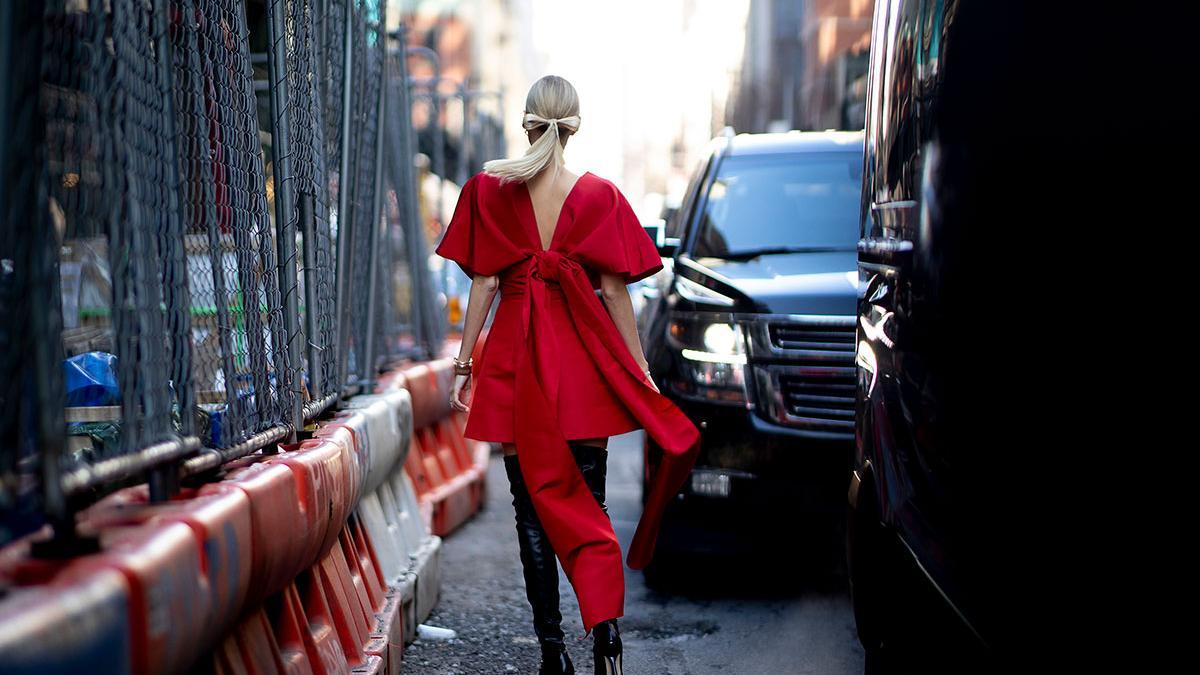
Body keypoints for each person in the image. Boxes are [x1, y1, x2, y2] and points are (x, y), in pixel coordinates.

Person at [435, 75, 700, 675]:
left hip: (514, 364)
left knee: (530, 514)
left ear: (526, 122)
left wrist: (465, 363)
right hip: (581, 366)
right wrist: (638, 373)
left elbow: (482, 283)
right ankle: (604, 632)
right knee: (590, 506)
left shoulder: (489, 191)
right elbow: (614, 294)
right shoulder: (601, 197)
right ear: (574, 127)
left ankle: (552, 651)